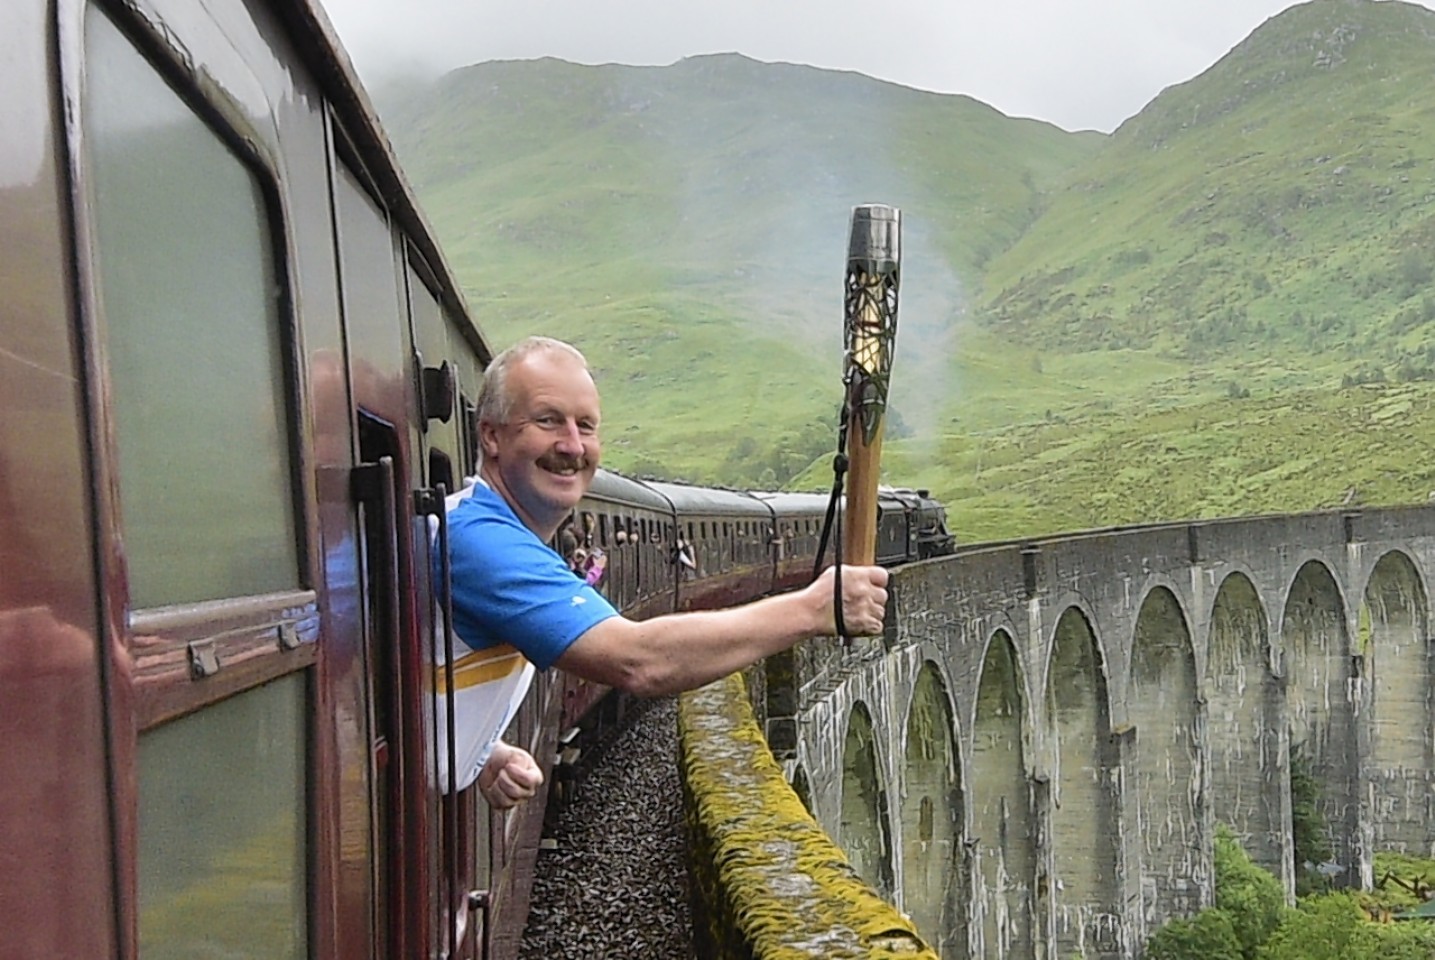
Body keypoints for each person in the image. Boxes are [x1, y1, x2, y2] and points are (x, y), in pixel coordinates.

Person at [442, 336, 889, 807]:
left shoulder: (489, 533)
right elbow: (638, 661)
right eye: (547, 420)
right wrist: (815, 608)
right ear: (491, 435)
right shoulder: (478, 540)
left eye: (586, 427)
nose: (573, 445)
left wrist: (479, 750)